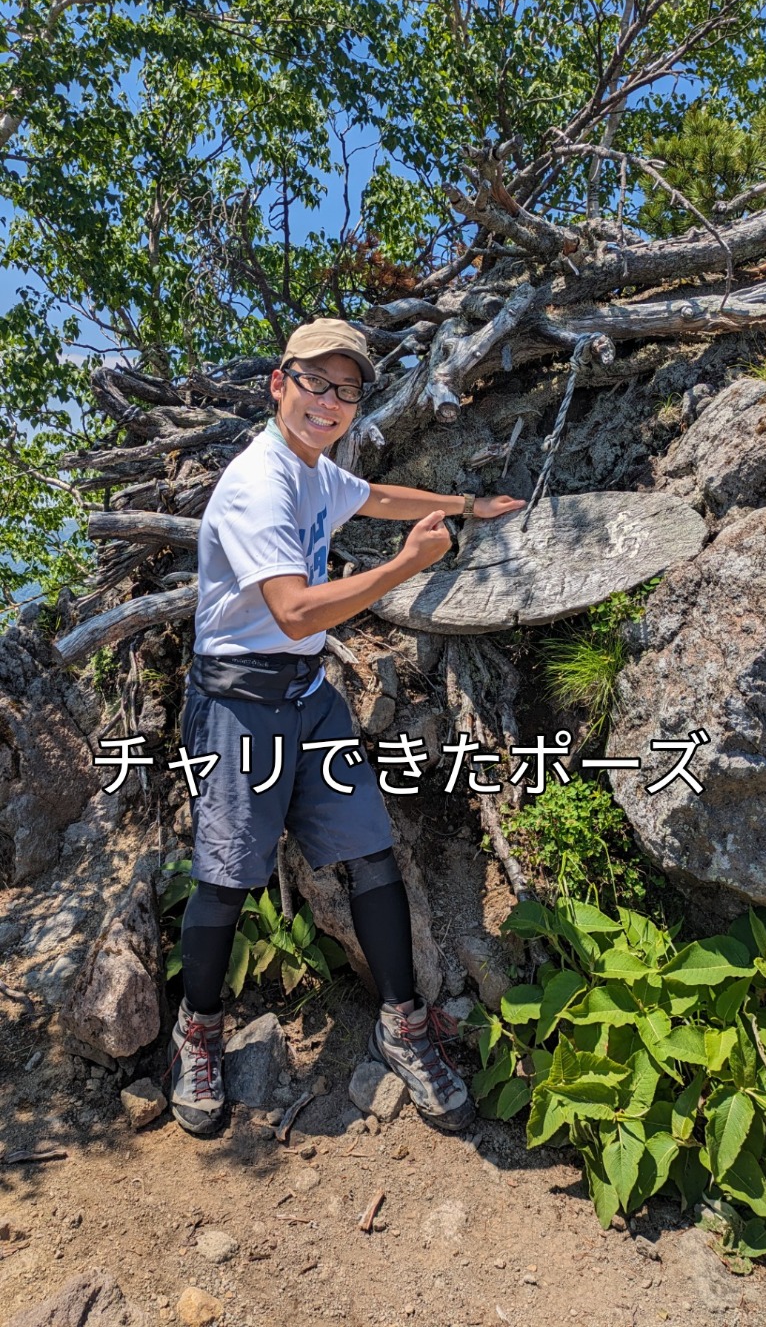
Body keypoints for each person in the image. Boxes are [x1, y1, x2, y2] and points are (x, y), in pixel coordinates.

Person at [168, 317, 525, 1137]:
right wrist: (404, 566)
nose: (330, 402)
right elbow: (293, 612)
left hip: (308, 696)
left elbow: (378, 497)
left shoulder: (315, 469)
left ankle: (402, 1025)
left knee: (369, 853)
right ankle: (199, 1032)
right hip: (238, 704)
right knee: (225, 877)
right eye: (315, 383)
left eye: (347, 390)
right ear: (278, 383)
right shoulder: (259, 483)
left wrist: (464, 504)